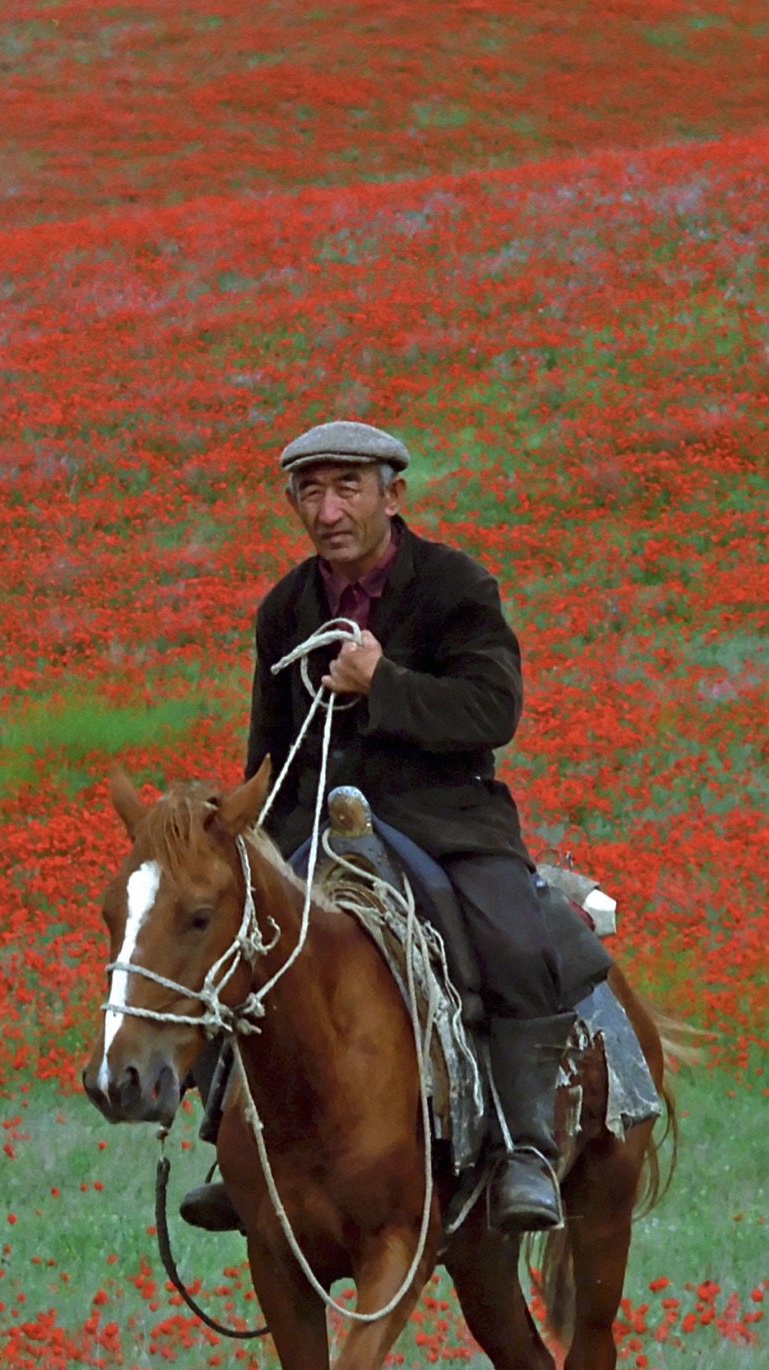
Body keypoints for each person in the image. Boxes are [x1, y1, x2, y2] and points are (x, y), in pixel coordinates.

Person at [179, 419, 579, 1236]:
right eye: (310, 491)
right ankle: (234, 1145)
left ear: (393, 496)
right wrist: (243, 841)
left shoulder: (456, 586)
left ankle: (524, 1147)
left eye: (346, 487)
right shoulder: (286, 608)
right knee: (234, 942)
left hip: (445, 822)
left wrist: (380, 681)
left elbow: (491, 711)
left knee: (516, 938)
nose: (327, 510)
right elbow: (272, 753)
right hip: (316, 826)